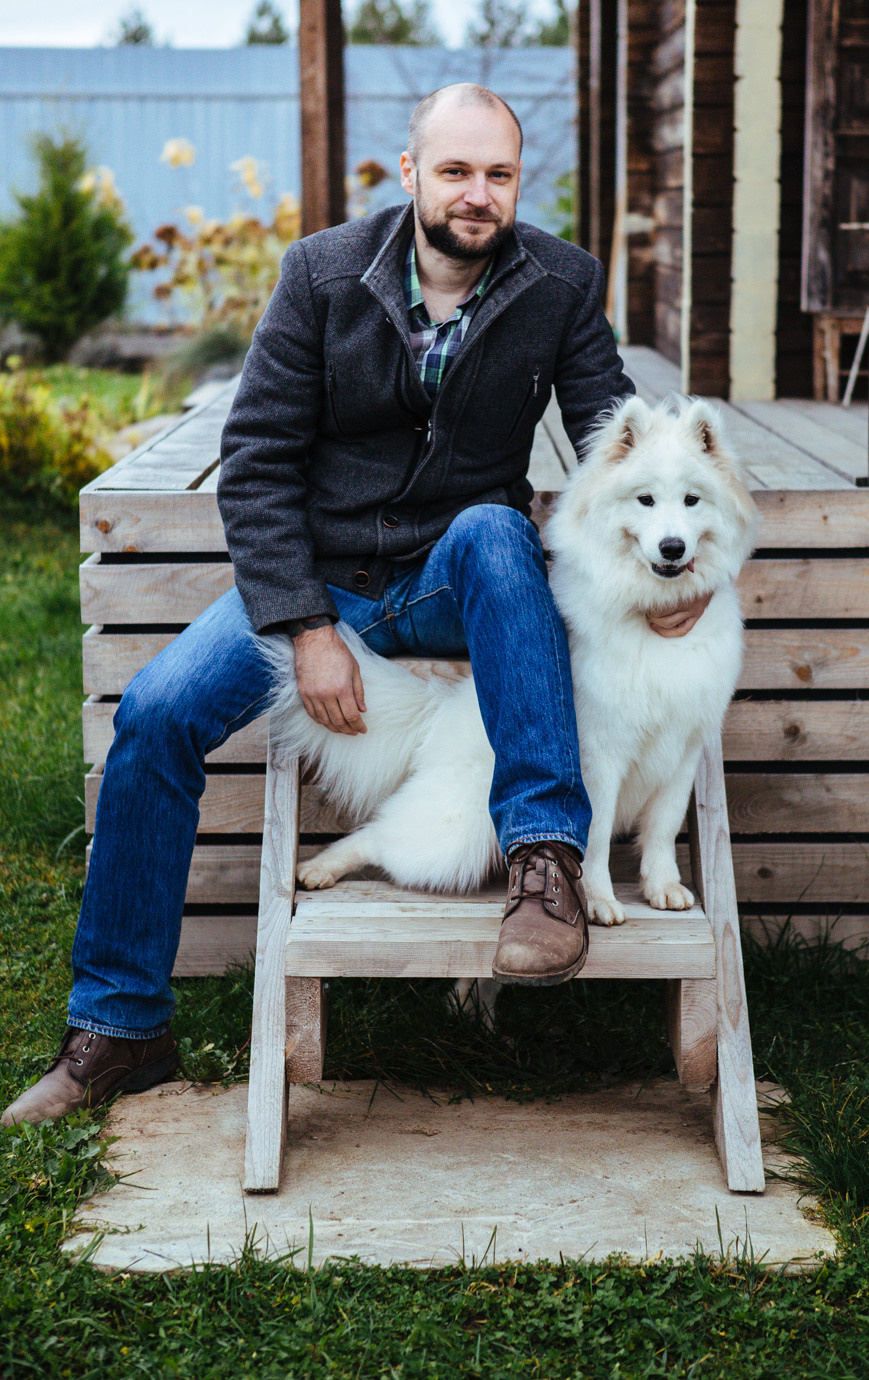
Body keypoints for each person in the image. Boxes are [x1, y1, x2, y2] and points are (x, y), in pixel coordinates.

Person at [3, 82, 709, 1130]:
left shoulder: (560, 282)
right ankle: (119, 1029)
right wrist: (303, 626)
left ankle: (545, 863)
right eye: (458, 170)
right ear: (410, 172)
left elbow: (624, 439)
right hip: (320, 580)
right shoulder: (321, 276)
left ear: (518, 185)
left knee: (495, 530)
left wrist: (666, 573)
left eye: (499, 175)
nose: (479, 194)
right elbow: (254, 464)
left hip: (455, 579)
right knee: (153, 714)